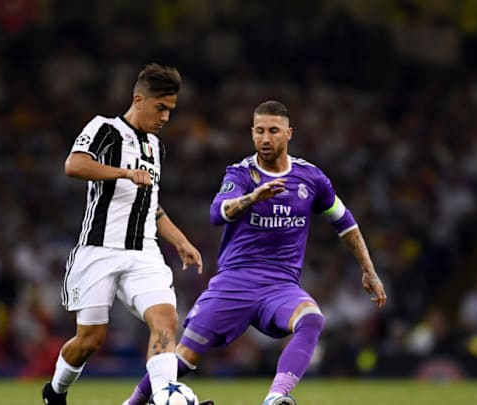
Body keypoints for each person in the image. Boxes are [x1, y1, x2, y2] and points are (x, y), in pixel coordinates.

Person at [124, 100, 388, 405]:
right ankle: (131, 404)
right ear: (252, 133)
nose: (266, 138)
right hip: (234, 283)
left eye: (273, 131)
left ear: (289, 133)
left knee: (312, 319)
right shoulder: (240, 174)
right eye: (260, 131)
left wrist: (369, 270)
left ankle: (275, 397)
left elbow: (344, 222)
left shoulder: (311, 178)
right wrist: (252, 198)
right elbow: (217, 213)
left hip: (280, 287)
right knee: (180, 360)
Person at [41, 63, 203, 405]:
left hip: (144, 252)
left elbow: (152, 206)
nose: (165, 118)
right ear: (138, 99)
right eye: (160, 108)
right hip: (100, 250)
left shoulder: (157, 148)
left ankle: (165, 395)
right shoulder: (105, 128)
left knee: (165, 318)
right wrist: (124, 173)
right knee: (90, 341)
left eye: (170, 111)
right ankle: (55, 392)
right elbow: (74, 164)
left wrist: (180, 241)